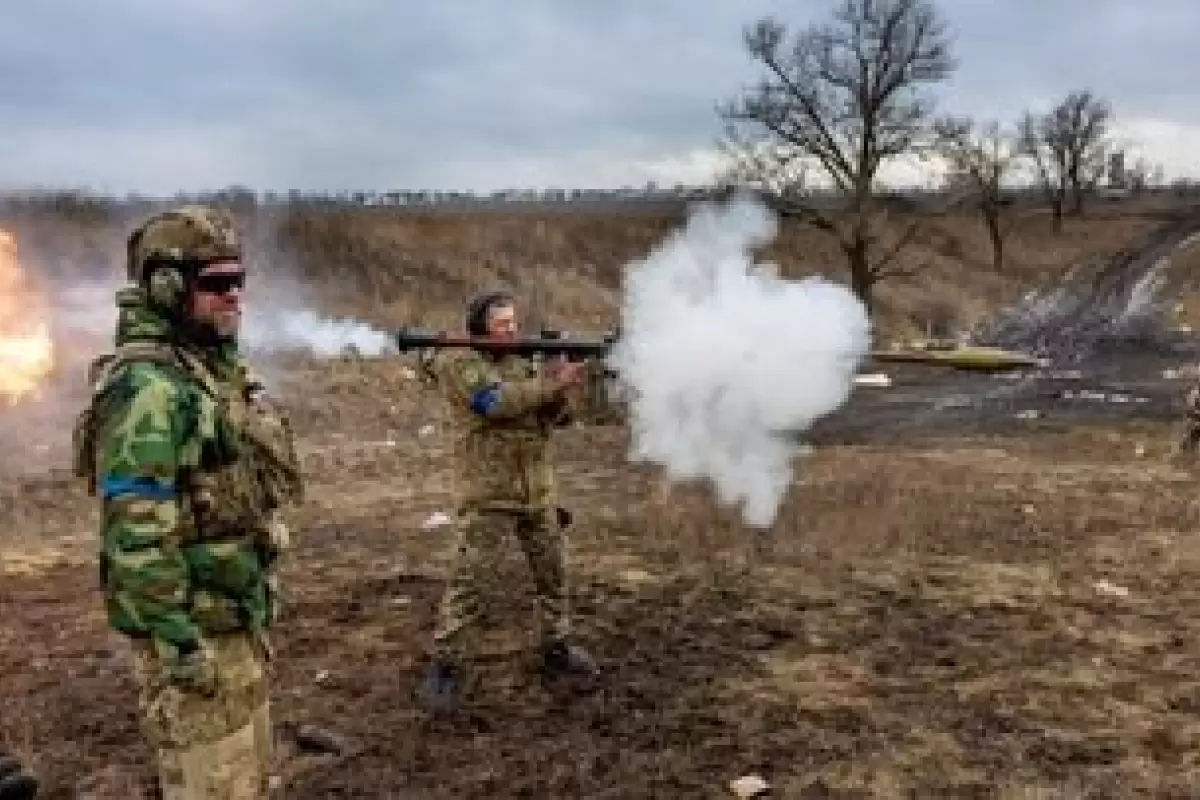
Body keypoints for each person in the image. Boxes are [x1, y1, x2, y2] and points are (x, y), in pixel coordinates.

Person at [71, 206, 303, 798]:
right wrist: (179, 647)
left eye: (239, 282)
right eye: (216, 284)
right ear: (168, 287)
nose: (233, 297)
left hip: (234, 620)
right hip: (197, 636)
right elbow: (139, 534)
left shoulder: (206, 371)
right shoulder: (148, 390)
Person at [417, 290, 599, 710]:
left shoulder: (525, 363)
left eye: (515, 323)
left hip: (536, 491)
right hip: (489, 494)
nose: (512, 331)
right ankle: (446, 665)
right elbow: (493, 403)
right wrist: (548, 385)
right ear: (479, 330)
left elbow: (559, 418)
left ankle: (557, 647)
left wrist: (562, 385)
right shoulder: (459, 363)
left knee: (553, 575)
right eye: (502, 325)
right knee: (470, 583)